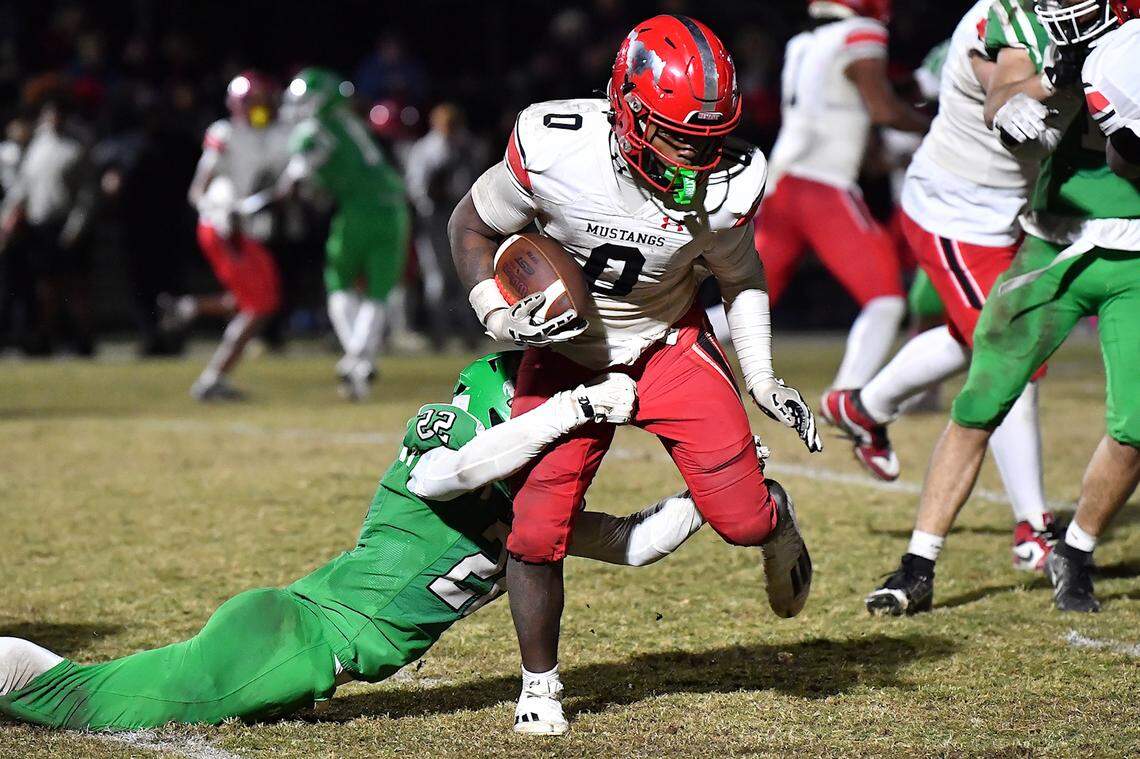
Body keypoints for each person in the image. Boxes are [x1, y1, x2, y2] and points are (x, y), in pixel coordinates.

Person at [0, 351, 717, 730]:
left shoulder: (520, 507)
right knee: (96, 702)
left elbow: (630, 542)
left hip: (299, 640)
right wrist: (569, 409)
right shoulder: (452, 438)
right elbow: (450, 474)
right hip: (299, 637)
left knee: (113, 689)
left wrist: (710, 495)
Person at [449, 15, 819, 736]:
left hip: (667, 344)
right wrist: (496, 312)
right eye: (682, 134)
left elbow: (740, 276)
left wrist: (763, 376)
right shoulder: (556, 148)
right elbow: (470, 223)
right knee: (533, 529)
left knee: (741, 519)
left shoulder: (726, 182)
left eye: (712, 136)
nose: (701, 154)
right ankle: (540, 682)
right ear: (626, 110)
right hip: (565, 353)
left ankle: (777, 521)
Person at [865, 0, 1140, 616]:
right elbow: (1004, 93)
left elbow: (1127, 160)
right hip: (1052, 241)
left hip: (1135, 253)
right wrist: (1048, 85)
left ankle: (1076, 547)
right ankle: (918, 563)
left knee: (1137, 425)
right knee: (982, 398)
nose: (1059, 9)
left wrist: (1123, 113)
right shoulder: (1024, 23)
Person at [825, 1, 1060, 572]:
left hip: (1008, 211)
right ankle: (1033, 526)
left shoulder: (1084, 21)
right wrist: (1018, 96)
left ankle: (862, 406)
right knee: (1010, 354)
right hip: (960, 212)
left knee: (969, 335)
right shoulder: (1004, 20)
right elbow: (998, 78)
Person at [755, 0, 929, 406]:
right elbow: (882, 108)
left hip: (780, 186)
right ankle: (845, 398)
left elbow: (841, 108)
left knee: (745, 308)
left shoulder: (803, 40)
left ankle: (654, 358)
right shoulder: (862, 32)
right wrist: (942, 127)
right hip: (823, 186)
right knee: (886, 300)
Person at [262, 67, 411, 401]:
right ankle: (361, 363)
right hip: (395, 208)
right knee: (378, 291)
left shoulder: (314, 130)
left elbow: (298, 176)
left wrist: (281, 192)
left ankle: (356, 356)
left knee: (338, 282)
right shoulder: (352, 124)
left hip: (358, 211)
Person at [167, 71, 290, 400]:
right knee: (261, 304)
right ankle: (211, 379)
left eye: (266, 99)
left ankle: (190, 307)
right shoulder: (225, 132)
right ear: (240, 104)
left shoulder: (271, 135)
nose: (263, 106)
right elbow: (197, 190)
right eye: (256, 101)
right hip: (222, 228)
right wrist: (221, 214)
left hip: (242, 229)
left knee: (258, 299)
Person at [0, 101, 97, 356]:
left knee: (75, 287)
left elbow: (86, 195)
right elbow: (22, 187)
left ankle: (83, 339)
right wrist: (7, 218)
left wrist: (77, 226)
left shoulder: (75, 149)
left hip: (66, 225)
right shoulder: (36, 148)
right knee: (45, 288)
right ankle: (47, 338)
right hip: (40, 227)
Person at [404, 103, 486, 348]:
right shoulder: (426, 150)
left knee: (467, 276)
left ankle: (469, 333)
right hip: (435, 219)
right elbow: (417, 188)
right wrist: (432, 195)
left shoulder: (467, 146)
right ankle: (439, 334)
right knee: (437, 278)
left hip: (465, 218)